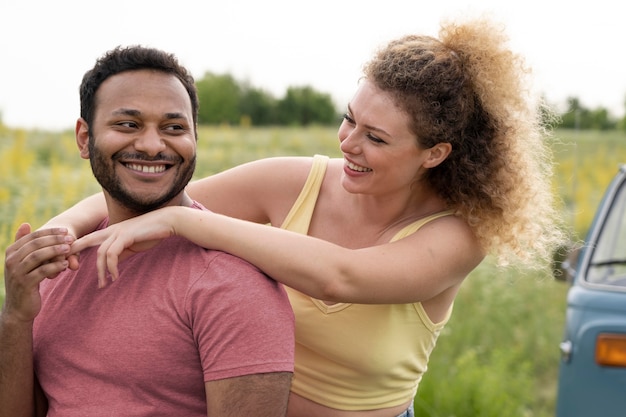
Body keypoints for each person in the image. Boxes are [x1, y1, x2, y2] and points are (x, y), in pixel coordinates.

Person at [44, 16, 565, 417]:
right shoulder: (297, 180)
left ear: (435, 153)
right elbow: (151, 198)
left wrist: (186, 224)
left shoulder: (457, 235)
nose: (348, 144)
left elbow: (339, 276)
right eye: (349, 119)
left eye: (376, 138)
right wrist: (61, 229)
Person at [0, 45, 295, 417]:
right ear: (83, 138)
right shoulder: (59, 266)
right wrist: (15, 315)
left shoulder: (233, 285)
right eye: (128, 124)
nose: (153, 146)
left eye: (174, 128)